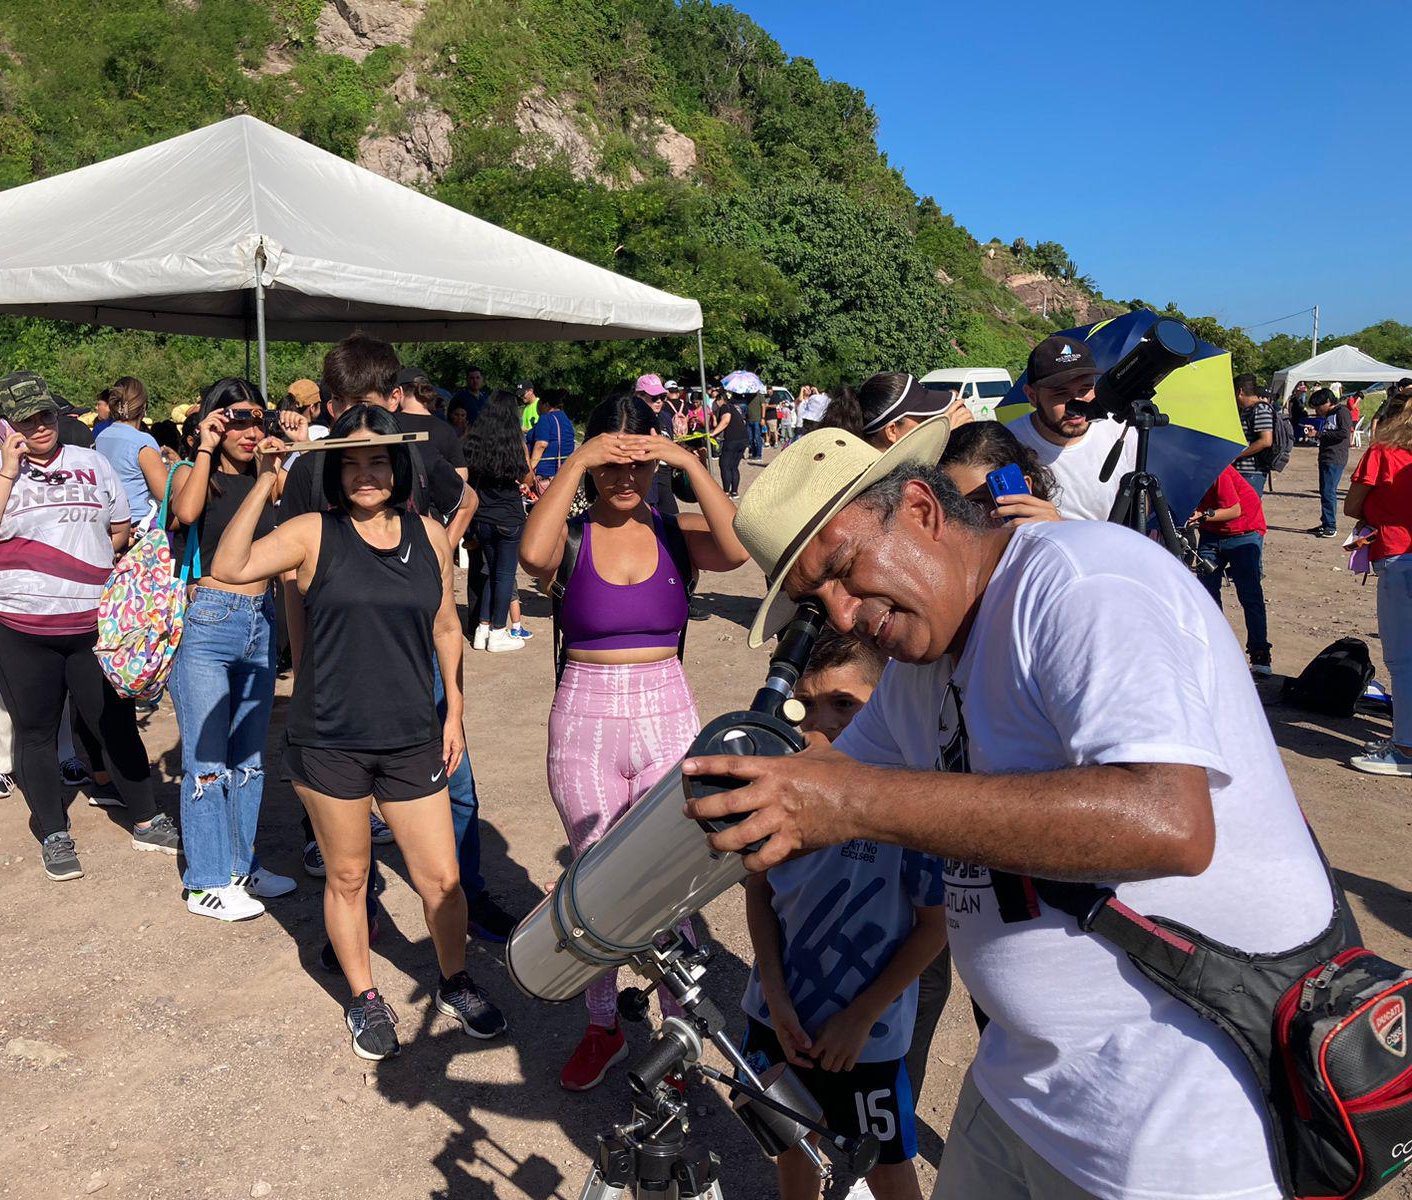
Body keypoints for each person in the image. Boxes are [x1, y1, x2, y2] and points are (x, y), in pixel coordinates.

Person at [685, 421, 1335, 1200]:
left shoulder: (1080, 582)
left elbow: (1170, 820)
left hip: (1173, 1115)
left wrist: (851, 801)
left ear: (922, 509)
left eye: (847, 570)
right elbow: (830, 774)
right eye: (816, 603)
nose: (846, 614)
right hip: (1023, 1089)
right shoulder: (923, 661)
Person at [211, 405, 507, 1060]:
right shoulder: (311, 532)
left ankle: (454, 980)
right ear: (335, 470)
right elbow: (229, 567)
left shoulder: (430, 535)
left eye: (379, 460)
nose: (367, 473)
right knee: (348, 877)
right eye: (352, 462)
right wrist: (267, 478)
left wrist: (454, 707)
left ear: (398, 466)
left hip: (411, 735)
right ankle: (366, 998)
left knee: (442, 881)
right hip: (330, 740)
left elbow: (447, 627)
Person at [519, 394, 749, 1091]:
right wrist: (581, 458)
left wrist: (684, 457)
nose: (625, 477)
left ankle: (676, 1036)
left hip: (666, 713)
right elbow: (532, 556)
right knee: (593, 883)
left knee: (670, 884)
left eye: (638, 462)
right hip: (584, 718)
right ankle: (603, 1026)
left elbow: (739, 547)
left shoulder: (675, 532)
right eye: (611, 464)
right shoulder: (576, 533)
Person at [282, 335, 510, 943]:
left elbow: (466, 497)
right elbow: (292, 586)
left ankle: (470, 894)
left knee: (454, 785)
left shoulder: (417, 441)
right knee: (345, 829)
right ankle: (360, 921)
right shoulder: (315, 464)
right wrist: (306, 669)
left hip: (415, 650)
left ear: (394, 397)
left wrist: (442, 549)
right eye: (339, 403)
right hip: (341, 664)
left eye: (367, 400)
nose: (349, 413)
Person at [0, 372, 179, 882]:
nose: (40, 426)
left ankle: (145, 815)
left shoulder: (92, 463)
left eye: (46, 414)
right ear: (5, 423)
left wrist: (84, 566)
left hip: (90, 625)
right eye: (27, 419)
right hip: (17, 625)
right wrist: (9, 471)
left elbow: (119, 529)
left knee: (113, 721)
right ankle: (53, 830)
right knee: (36, 730)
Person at [742, 629, 944, 1200]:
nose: (820, 722)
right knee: (789, 1143)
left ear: (887, 703)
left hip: (866, 1036)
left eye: (843, 704)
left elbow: (934, 926)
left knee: (887, 1166)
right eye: (805, 704)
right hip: (777, 1018)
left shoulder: (914, 805)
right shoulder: (780, 791)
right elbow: (759, 892)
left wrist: (860, 1017)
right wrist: (776, 1000)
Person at [166, 378, 295, 921]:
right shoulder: (192, 472)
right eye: (234, 420)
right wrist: (203, 444)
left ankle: (239, 866)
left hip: (261, 621)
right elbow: (188, 514)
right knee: (207, 759)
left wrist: (270, 469)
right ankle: (205, 881)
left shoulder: (269, 479)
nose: (249, 431)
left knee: (249, 760)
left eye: (256, 420)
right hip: (208, 624)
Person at [1343, 383, 1412, 775]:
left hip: (1399, 554)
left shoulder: (1383, 452)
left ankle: (1405, 748)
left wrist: (1376, 508)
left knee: (1403, 659)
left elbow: (1353, 504)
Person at [1006, 335, 1137, 520]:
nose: (1076, 404)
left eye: (1085, 389)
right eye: (1060, 394)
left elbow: (1140, 504)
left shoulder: (1120, 429)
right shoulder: (1008, 444)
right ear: (1032, 396)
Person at [1186, 466, 1271, 676]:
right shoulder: (1183, 473)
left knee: (1249, 594)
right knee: (1206, 593)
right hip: (1211, 534)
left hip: (1244, 531)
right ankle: (1216, 649)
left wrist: (1203, 515)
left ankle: (1259, 653)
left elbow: (1234, 510)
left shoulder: (1219, 470)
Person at [465, 392, 532, 654]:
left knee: (491, 574)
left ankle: (483, 628)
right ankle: (498, 632)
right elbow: (527, 477)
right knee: (504, 576)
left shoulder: (474, 441)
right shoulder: (515, 443)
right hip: (508, 517)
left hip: (482, 517)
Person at [937, 419, 1063, 526]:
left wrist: (1056, 535)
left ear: (1025, 486)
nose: (959, 516)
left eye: (976, 503)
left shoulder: (1055, 540)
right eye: (949, 502)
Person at [93, 377, 169, 527]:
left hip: (110, 521)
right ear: (144, 408)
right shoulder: (142, 442)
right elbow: (164, 494)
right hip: (139, 523)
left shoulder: (101, 436)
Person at [856, 372, 972, 448]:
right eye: (924, 418)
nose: (931, 423)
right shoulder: (892, 483)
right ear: (892, 431)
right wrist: (942, 440)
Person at [1311, 386, 1353, 538]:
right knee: (1324, 491)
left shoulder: (1342, 412)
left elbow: (1343, 433)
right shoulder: (1330, 414)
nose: (1317, 409)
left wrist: (1319, 433)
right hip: (1326, 456)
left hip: (1335, 457)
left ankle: (1330, 526)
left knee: (1329, 491)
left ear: (1328, 401)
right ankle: (1326, 523)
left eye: (1318, 406)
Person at [634, 374, 680, 516]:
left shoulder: (665, 417)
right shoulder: (632, 419)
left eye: (662, 397)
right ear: (639, 396)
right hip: (644, 480)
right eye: (654, 397)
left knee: (673, 521)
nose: (659, 401)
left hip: (665, 478)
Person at [1228, 374, 1275, 495]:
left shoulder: (1260, 409)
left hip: (1253, 472)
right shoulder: (1247, 410)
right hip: (1244, 472)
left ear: (1240, 391)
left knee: (1248, 511)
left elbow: (1266, 440)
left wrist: (1238, 455)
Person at [526, 391, 575, 494]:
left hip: (544, 476)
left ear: (546, 405)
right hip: (562, 474)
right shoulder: (566, 420)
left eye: (539, 403)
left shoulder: (546, 419)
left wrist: (529, 469)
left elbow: (541, 444)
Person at [712, 388, 747, 498]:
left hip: (732, 439)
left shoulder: (724, 407)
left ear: (721, 399)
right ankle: (734, 492)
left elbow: (726, 421)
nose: (715, 402)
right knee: (734, 466)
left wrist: (713, 434)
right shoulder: (733, 407)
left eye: (716, 399)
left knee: (724, 464)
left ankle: (726, 492)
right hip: (743, 439)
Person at [745, 388, 767, 462]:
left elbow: (764, 406)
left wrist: (763, 418)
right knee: (750, 438)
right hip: (749, 420)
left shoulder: (760, 396)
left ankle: (759, 455)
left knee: (757, 438)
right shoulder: (748, 396)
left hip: (757, 420)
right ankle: (754, 454)